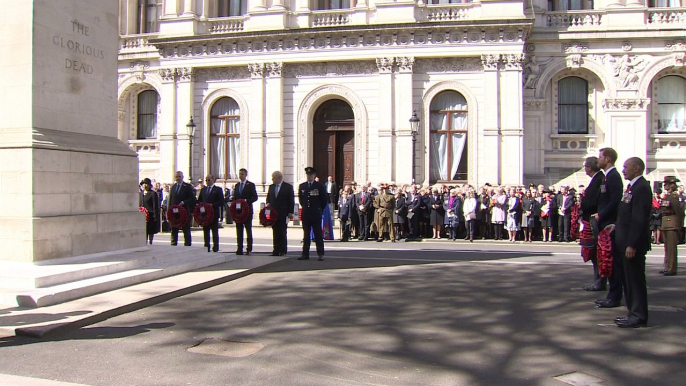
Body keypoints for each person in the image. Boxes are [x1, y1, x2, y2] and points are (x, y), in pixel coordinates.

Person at [609, 157, 651, 328]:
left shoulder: (641, 187)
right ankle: (632, 312)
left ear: (637, 168)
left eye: (627, 167)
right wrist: (616, 225)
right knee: (628, 280)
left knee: (635, 281)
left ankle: (638, 315)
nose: (623, 170)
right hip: (624, 241)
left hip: (631, 244)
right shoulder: (632, 187)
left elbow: (639, 218)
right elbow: (626, 214)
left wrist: (632, 244)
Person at [592, 147, 624, 309]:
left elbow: (615, 200)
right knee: (606, 260)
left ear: (608, 159)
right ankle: (612, 294)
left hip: (609, 224)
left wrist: (601, 214)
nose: (598, 160)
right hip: (604, 222)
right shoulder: (606, 177)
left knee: (612, 261)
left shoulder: (614, 177)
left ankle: (615, 296)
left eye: (600, 157)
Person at [580, 156, 605, 291]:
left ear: (589, 168)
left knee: (596, 251)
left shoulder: (599, 180)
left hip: (594, 219)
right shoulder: (597, 179)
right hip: (592, 219)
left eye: (585, 166)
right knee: (594, 251)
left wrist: (583, 204)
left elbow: (593, 202)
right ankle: (598, 280)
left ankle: (599, 281)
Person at [298, 167, 327, 260]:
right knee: (306, 235)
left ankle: (320, 254)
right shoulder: (302, 186)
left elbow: (324, 200)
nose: (309, 176)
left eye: (311, 175)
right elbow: (301, 200)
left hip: (315, 213)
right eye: (307, 175)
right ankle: (305, 253)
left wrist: (318, 209)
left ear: (314, 176)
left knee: (318, 234)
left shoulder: (320, 186)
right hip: (306, 213)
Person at [266, 171, 295, 256]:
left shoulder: (288, 187)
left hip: (283, 213)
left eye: (273, 178)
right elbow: (268, 198)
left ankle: (283, 250)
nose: (272, 179)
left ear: (279, 178)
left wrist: (290, 212)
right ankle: (276, 250)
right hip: (273, 214)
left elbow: (291, 200)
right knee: (275, 231)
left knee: (282, 232)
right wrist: (268, 205)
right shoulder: (271, 187)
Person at [659, 176, 684, 276]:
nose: (664, 185)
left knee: (671, 248)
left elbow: (679, 212)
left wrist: (679, 225)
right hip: (666, 223)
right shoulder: (667, 196)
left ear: (671, 185)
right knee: (667, 248)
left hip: (672, 223)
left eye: (666, 184)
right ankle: (667, 266)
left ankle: (672, 268)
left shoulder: (674, 197)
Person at [232, 168, 258, 255]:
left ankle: (249, 248)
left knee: (248, 230)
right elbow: (235, 198)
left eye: (242, 174)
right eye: (239, 174)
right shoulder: (237, 185)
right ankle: (239, 248)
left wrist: (246, 200)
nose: (240, 176)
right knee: (239, 231)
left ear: (246, 175)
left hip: (247, 211)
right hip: (239, 212)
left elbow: (255, 197)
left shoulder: (250, 185)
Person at [168, 171, 196, 246]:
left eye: (179, 177)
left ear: (182, 177)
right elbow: (170, 200)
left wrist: (184, 202)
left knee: (186, 229)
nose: (178, 178)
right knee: (174, 229)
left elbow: (192, 198)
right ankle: (173, 244)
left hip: (184, 211)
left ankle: (187, 245)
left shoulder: (187, 186)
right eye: (177, 177)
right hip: (174, 212)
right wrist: (168, 211)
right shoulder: (173, 187)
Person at [198, 174, 224, 252]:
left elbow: (221, 201)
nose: (207, 181)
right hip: (205, 214)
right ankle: (206, 246)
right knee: (206, 231)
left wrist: (212, 205)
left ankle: (215, 247)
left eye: (209, 180)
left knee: (214, 231)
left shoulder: (218, 189)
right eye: (206, 180)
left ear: (213, 180)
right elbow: (199, 200)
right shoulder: (203, 190)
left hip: (214, 214)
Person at [139, 178, 160, 245]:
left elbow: (155, 206)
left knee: (150, 230)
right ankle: (144, 242)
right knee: (144, 231)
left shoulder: (153, 194)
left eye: (146, 184)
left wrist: (155, 216)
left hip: (151, 215)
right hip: (143, 216)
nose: (145, 185)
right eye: (144, 184)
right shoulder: (141, 194)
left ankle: (150, 242)